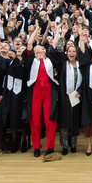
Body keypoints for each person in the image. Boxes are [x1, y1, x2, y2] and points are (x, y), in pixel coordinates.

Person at [24, 25, 61, 158]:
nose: (42, 47)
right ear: (35, 50)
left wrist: (56, 32)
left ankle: (50, 147)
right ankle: (36, 146)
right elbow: (29, 43)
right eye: (40, 46)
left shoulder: (49, 58)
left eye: (43, 47)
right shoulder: (31, 60)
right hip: (35, 92)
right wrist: (36, 30)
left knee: (49, 120)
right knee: (35, 120)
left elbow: (55, 42)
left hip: (49, 92)